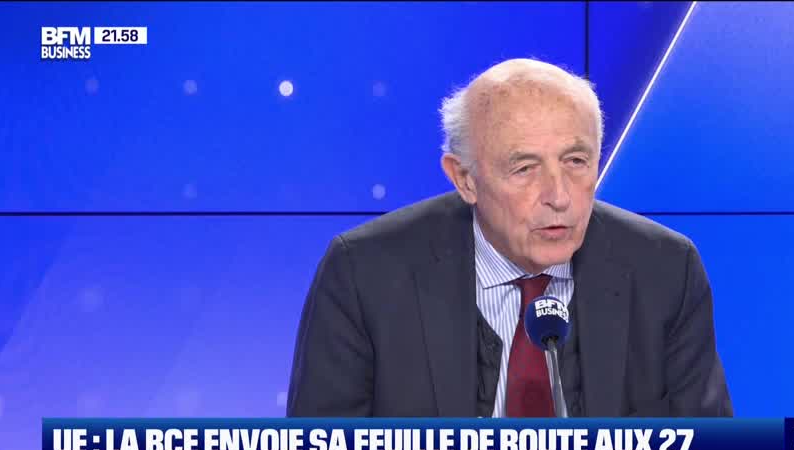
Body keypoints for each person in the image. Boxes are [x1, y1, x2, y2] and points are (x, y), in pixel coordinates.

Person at [287, 59, 732, 417]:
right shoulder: (364, 275)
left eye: (576, 162)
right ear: (465, 179)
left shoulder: (665, 270)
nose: (559, 196)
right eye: (524, 168)